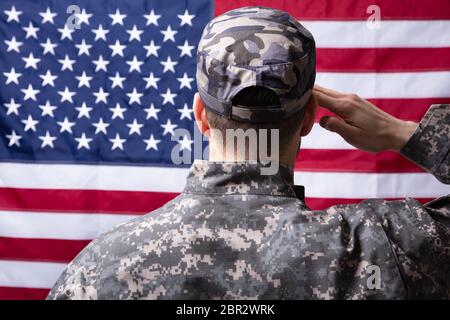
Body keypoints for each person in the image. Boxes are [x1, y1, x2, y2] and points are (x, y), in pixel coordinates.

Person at [47, 6, 449, 300]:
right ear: (310, 116)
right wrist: (406, 134)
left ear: (201, 115)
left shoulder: (101, 267)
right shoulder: (378, 248)